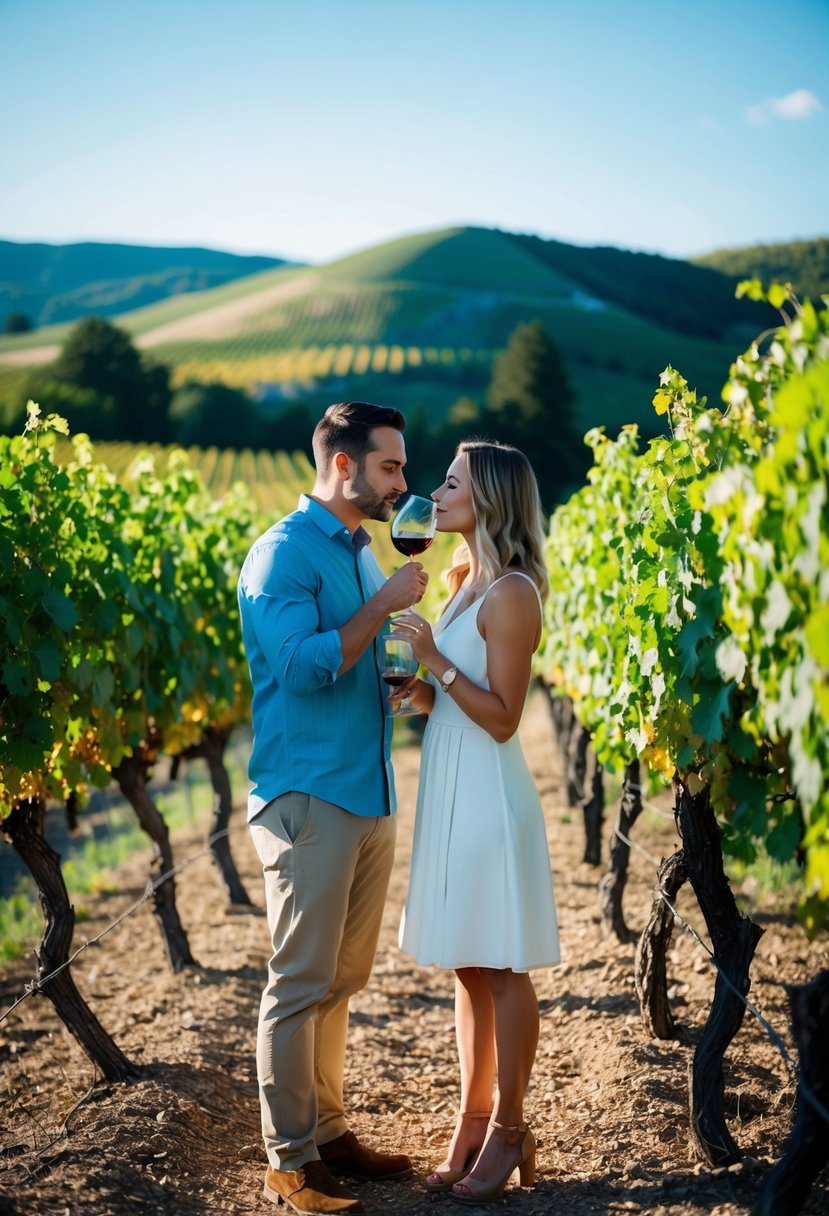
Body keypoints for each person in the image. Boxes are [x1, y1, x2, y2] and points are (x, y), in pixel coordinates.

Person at [237, 401, 429, 1215]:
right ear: (342, 466)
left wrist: (402, 681)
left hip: (364, 787)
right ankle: (288, 1163)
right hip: (309, 796)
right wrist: (381, 606)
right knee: (299, 979)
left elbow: (353, 661)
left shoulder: (353, 550)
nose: (402, 484)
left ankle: (327, 1131)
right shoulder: (282, 553)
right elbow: (303, 665)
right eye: (390, 467)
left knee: (341, 979)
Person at [392, 439, 560, 1205]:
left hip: (489, 795)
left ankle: (511, 1128)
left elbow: (501, 718)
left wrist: (433, 657)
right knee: (467, 961)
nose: (435, 490)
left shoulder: (512, 593)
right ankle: (473, 1117)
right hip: (451, 786)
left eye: (451, 482)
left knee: (500, 966)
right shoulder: (465, 580)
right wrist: (418, 694)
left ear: (487, 498)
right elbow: (456, 703)